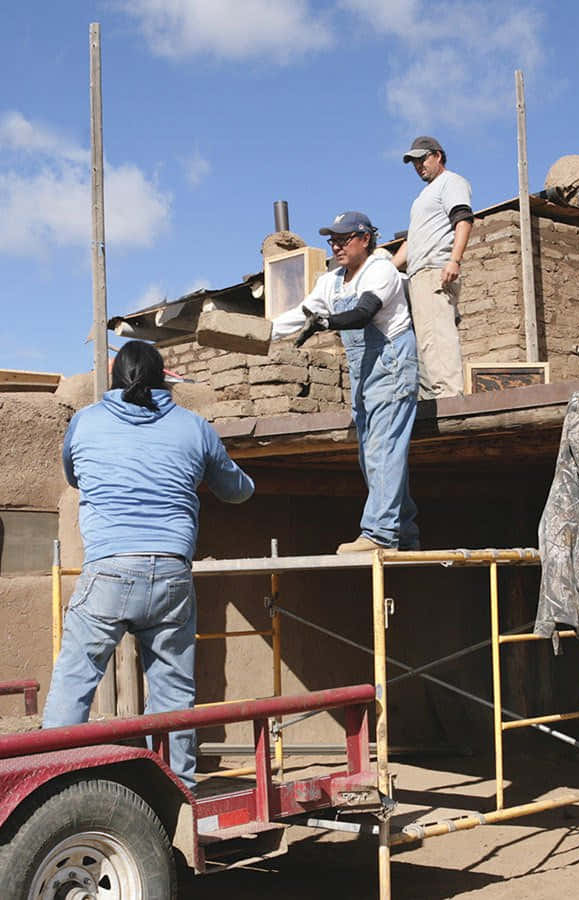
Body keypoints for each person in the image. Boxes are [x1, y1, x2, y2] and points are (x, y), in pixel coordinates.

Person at [43, 340, 254, 791]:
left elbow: (74, 475)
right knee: (173, 691)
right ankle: (178, 791)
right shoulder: (194, 428)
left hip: (109, 570)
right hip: (172, 572)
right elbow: (238, 491)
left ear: (116, 379)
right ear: (164, 380)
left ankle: (49, 786)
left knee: (75, 680)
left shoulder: (86, 422)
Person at [287, 211, 420, 553]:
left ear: (365, 238)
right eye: (332, 240)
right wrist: (259, 333)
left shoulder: (381, 270)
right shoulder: (331, 281)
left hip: (391, 366)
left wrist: (326, 322)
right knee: (370, 457)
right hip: (364, 374)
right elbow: (301, 314)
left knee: (384, 451)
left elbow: (363, 313)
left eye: (344, 239)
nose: (336, 246)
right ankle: (403, 532)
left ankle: (379, 534)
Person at [392, 135, 474, 399]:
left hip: (434, 271)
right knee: (427, 342)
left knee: (438, 339)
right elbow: (412, 242)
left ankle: (449, 398)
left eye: (422, 159)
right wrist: (386, 269)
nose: (418, 166)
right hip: (417, 275)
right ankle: (436, 398)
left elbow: (463, 220)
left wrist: (455, 260)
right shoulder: (422, 197)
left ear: (437, 155)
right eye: (414, 162)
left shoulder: (451, 182)